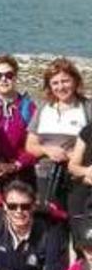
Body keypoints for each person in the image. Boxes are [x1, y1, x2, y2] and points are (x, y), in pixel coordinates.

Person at [27, 58, 92, 215]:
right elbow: (30, 145)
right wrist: (47, 150)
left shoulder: (87, 108)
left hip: (77, 179)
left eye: (65, 81)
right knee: (50, 226)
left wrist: (72, 156)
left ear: (75, 81)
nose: (61, 87)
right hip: (45, 176)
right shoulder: (43, 108)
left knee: (78, 225)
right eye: (55, 83)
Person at [0, 55, 37, 191]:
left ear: (16, 77)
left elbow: (35, 145)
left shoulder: (29, 107)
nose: (4, 79)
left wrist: (15, 165)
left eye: (9, 75)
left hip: (20, 175)